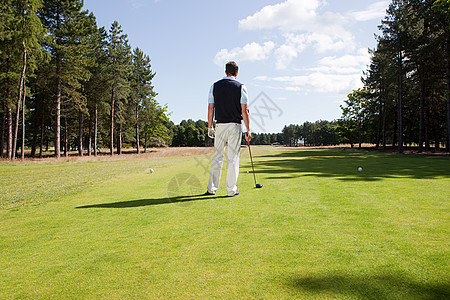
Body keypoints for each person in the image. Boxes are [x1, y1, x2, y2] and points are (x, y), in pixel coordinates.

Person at [206, 61, 251, 197]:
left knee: (217, 157)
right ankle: (231, 190)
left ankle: (211, 189)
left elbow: (210, 108)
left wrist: (209, 127)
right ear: (236, 73)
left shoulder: (214, 86)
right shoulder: (241, 87)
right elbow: (245, 110)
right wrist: (248, 130)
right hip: (235, 126)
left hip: (219, 125)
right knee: (233, 158)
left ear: (225, 72)